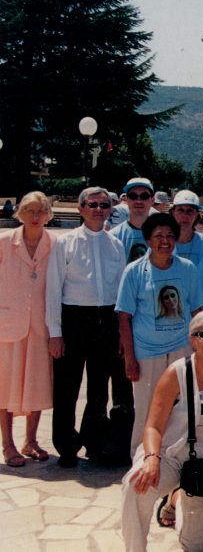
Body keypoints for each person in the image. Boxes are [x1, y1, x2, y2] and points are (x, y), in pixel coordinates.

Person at [119, 310, 203, 552]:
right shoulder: (175, 373)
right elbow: (153, 426)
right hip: (171, 454)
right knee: (136, 485)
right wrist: (152, 459)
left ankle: (177, 498)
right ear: (192, 339)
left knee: (198, 546)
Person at [46, 186, 129, 467]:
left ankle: (94, 442)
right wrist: (55, 333)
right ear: (81, 209)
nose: (98, 209)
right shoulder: (64, 243)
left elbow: (120, 291)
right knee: (66, 387)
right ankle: (66, 446)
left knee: (98, 388)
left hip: (106, 321)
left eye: (104, 205)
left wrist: (120, 333)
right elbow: (53, 289)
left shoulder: (116, 244)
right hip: (73, 320)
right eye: (92, 204)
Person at [117, 212, 203, 456]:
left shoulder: (187, 269)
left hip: (181, 350)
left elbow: (198, 309)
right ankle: (141, 459)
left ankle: (175, 458)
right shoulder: (134, 271)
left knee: (182, 408)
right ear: (148, 240)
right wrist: (130, 359)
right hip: (147, 353)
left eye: (169, 236)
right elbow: (124, 316)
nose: (164, 241)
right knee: (146, 409)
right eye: (158, 236)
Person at [0, 192, 56, 467]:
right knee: (4, 385)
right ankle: (7, 444)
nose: (35, 217)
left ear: (48, 215)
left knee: (37, 381)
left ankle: (30, 440)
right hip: (8, 325)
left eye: (40, 211)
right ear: (19, 213)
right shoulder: (3, 243)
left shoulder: (56, 245)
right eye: (29, 211)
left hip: (41, 326)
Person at [110, 177, 155, 263]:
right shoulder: (114, 237)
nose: (138, 201)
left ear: (152, 200)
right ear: (126, 199)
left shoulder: (163, 236)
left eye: (144, 196)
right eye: (133, 196)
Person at [169, 190, 203, 268]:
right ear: (173, 212)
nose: (185, 216)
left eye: (190, 211)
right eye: (180, 210)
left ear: (197, 214)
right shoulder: (162, 242)